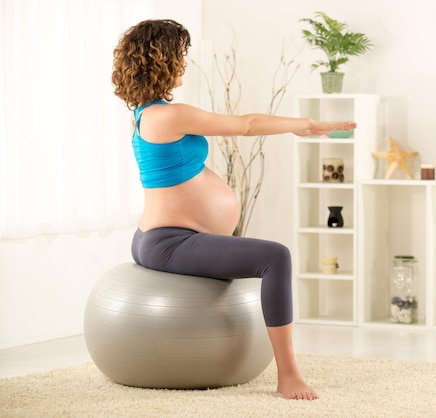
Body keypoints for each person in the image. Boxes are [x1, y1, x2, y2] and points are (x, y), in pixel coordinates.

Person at [111, 19, 356, 400]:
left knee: (268, 255)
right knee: (276, 257)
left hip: (161, 235)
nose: (184, 64)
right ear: (159, 59)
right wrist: (302, 124)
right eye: (180, 55)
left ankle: (288, 370)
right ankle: (288, 375)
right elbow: (247, 125)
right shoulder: (169, 115)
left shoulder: (146, 112)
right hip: (169, 241)